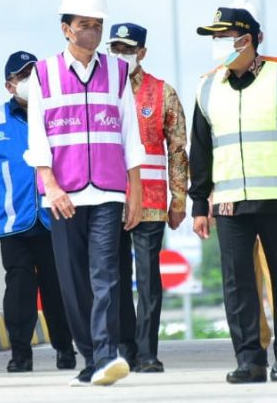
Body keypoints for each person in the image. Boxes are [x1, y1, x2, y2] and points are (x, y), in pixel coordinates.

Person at [187, 1, 277, 384]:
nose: (217, 44)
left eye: (223, 37)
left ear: (246, 39)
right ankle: (250, 360)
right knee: (237, 283)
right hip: (230, 203)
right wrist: (199, 203)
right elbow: (200, 150)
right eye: (214, 38)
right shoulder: (207, 87)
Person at [24, 0, 146, 387]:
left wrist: (136, 191)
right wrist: (50, 185)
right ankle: (91, 355)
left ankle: (107, 354)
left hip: (109, 190)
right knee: (73, 282)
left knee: (106, 274)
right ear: (66, 29)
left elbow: (130, 133)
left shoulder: (118, 71)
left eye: (97, 25)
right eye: (84, 25)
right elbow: (37, 137)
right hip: (65, 193)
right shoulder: (43, 73)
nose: (91, 32)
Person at [0, 51, 77, 373]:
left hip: (53, 220)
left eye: (35, 74)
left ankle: (65, 350)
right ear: (10, 85)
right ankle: (20, 354)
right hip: (14, 223)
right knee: (19, 291)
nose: (30, 81)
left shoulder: (56, 116)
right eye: (23, 76)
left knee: (56, 289)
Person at [106, 23, 189, 373]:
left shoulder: (162, 93)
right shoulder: (100, 91)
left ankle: (147, 351)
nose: (121, 55)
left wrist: (179, 199)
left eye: (128, 49)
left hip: (153, 203)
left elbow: (177, 149)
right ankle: (123, 348)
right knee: (115, 279)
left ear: (141, 52)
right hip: (109, 201)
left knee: (149, 280)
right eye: (115, 48)